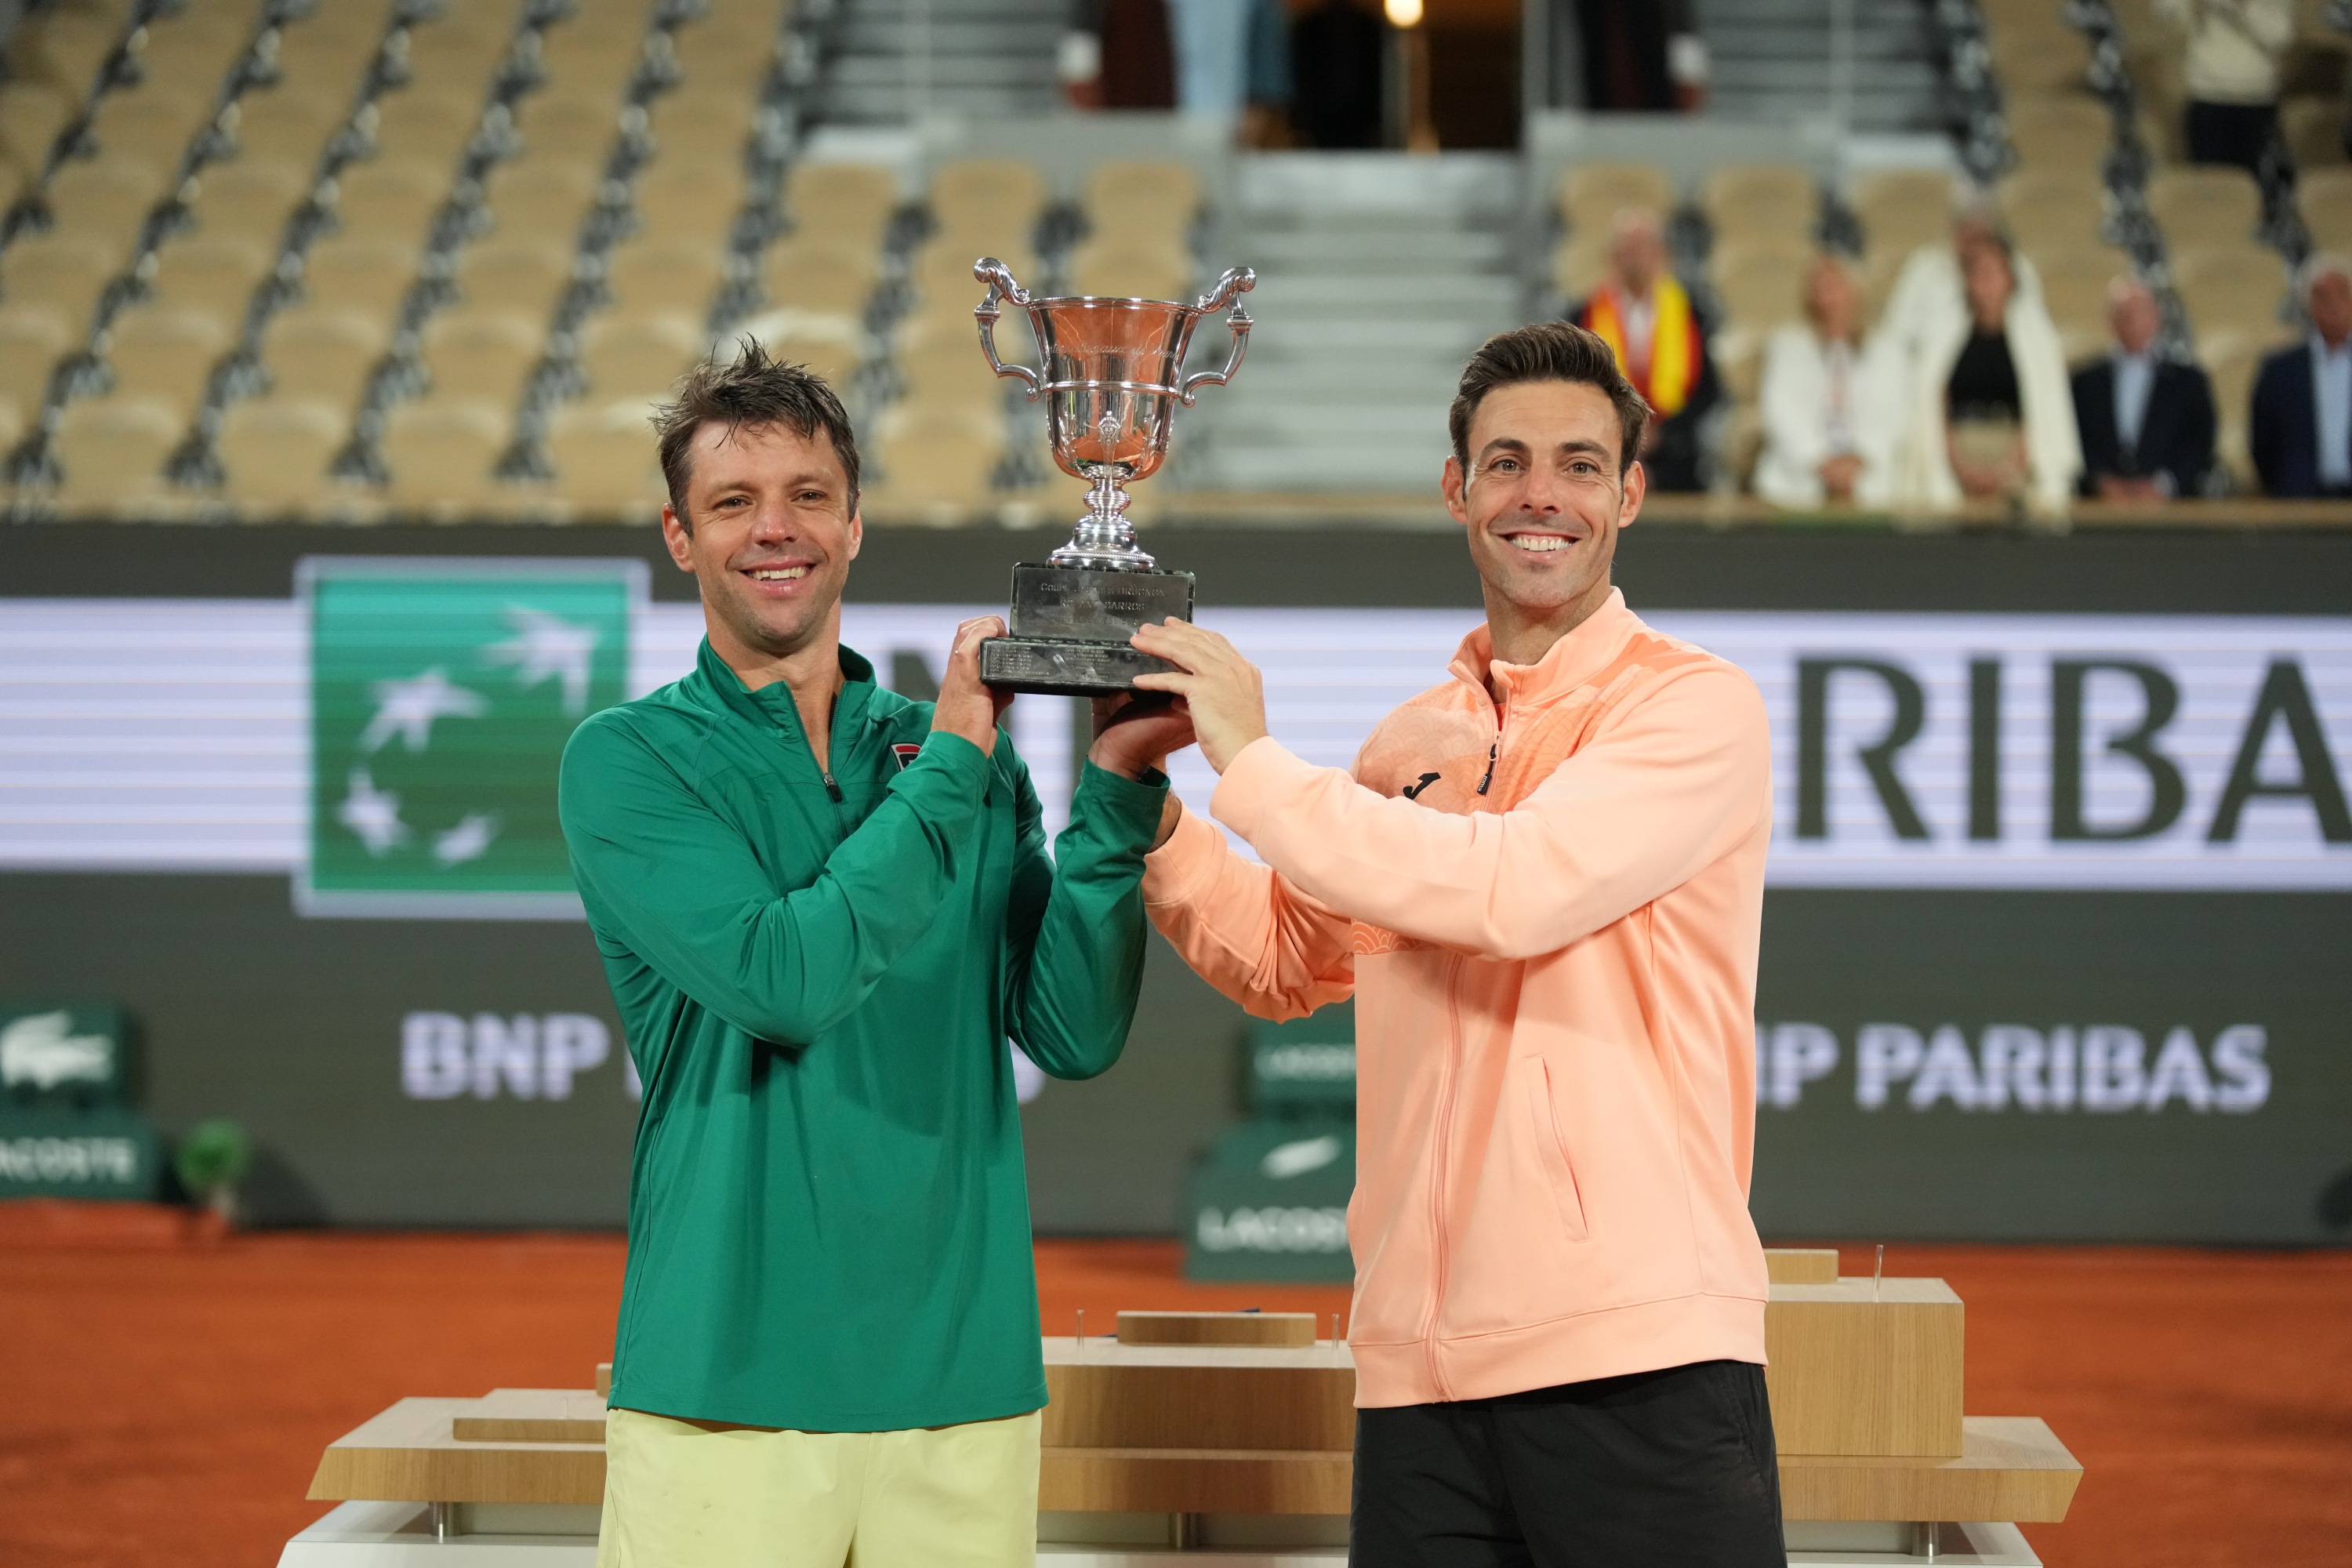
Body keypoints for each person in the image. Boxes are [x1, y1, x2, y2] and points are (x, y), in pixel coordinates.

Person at [1126, 321, 1783, 1566]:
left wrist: (1254, 765)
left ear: (1631, 495)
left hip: (1635, 1357)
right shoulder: (1407, 745)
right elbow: (1282, 954)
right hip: (1418, 1375)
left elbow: (1514, 889)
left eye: (1582, 466)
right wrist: (1142, 805)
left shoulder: (1693, 707)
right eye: (1509, 462)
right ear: (1457, 489)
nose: (1544, 496)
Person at [557, 343, 1181, 1568]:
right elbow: (783, 981)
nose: (772, 531)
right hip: (724, 1385)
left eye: (807, 497)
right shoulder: (627, 761)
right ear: (680, 538)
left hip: (964, 1386)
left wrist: (1115, 792)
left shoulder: (941, 747)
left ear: (855, 525)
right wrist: (955, 764)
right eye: (733, 503)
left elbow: (1072, 1029)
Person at [1886, 233, 2081, 515]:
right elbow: (1934, 401)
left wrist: (2009, 469)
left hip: (2015, 460)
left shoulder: (2038, 342)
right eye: (1977, 272)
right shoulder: (1941, 338)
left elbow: (2041, 408)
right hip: (1958, 456)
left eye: (1994, 271)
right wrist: (1958, 464)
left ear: (2011, 279)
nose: (1986, 281)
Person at [1567, 209, 1721, 491]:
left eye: (1643, 248)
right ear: (1611, 257)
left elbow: (1708, 389)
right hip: (1602, 443)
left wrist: (1662, 433)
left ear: (1662, 254)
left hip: (1673, 447)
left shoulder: (1692, 313)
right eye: (1626, 249)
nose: (1635, 258)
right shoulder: (1582, 317)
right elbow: (1573, 386)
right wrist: (1622, 434)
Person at [1755, 252, 1899, 509]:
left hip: (1871, 482)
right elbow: (1779, 408)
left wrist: (1858, 461)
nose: (1827, 298)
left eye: (1835, 287)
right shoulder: (1788, 346)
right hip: (1798, 482)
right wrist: (1819, 462)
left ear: (1856, 292)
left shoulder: (1886, 350)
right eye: (1819, 289)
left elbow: (1895, 412)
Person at [2070, 275, 2217, 500]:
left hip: (2172, 510)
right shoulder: (2084, 382)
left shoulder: (2189, 382)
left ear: (2157, 318)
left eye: (2141, 313)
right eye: (2125, 314)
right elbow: (2074, 438)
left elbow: (2199, 444)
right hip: (2100, 505)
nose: (2134, 322)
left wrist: (2163, 485)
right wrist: (2101, 482)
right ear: (2110, 320)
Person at [2250, 253, 2352, 495]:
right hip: (2299, 501)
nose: (2334, 306)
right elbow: (2263, 444)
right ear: (2309, 306)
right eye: (2323, 298)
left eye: (2342, 295)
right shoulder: (2279, 370)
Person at [2158, 0, 2294, 178]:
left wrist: (2244, 7)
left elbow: (2279, 38)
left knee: (2257, 186)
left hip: (2258, 98)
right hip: (2207, 97)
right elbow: (2168, 15)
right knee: (2211, 185)